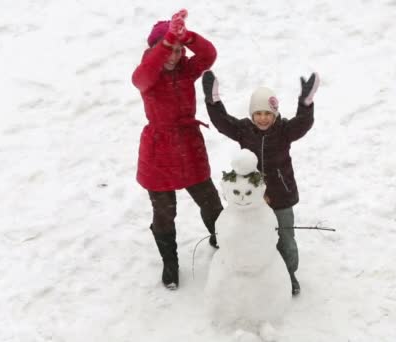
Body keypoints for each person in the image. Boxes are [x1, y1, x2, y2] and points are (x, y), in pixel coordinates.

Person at [201, 70, 320, 295]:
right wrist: (213, 101)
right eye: (258, 113)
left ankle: (289, 275)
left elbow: (303, 124)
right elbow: (222, 122)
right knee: (255, 237)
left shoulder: (284, 131)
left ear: (275, 114)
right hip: (253, 198)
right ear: (252, 114)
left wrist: (305, 103)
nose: (263, 118)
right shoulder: (244, 130)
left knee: (285, 239)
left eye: (267, 113)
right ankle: (260, 273)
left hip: (281, 196)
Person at [131, 9, 222, 290]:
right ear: (155, 49)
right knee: (164, 212)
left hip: (188, 144)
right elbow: (140, 78)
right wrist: (168, 40)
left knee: (210, 201)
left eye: (178, 50)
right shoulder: (148, 74)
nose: (174, 55)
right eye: (168, 50)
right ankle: (170, 263)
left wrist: (187, 37)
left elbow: (208, 56)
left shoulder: (186, 68)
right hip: (158, 152)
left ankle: (222, 239)